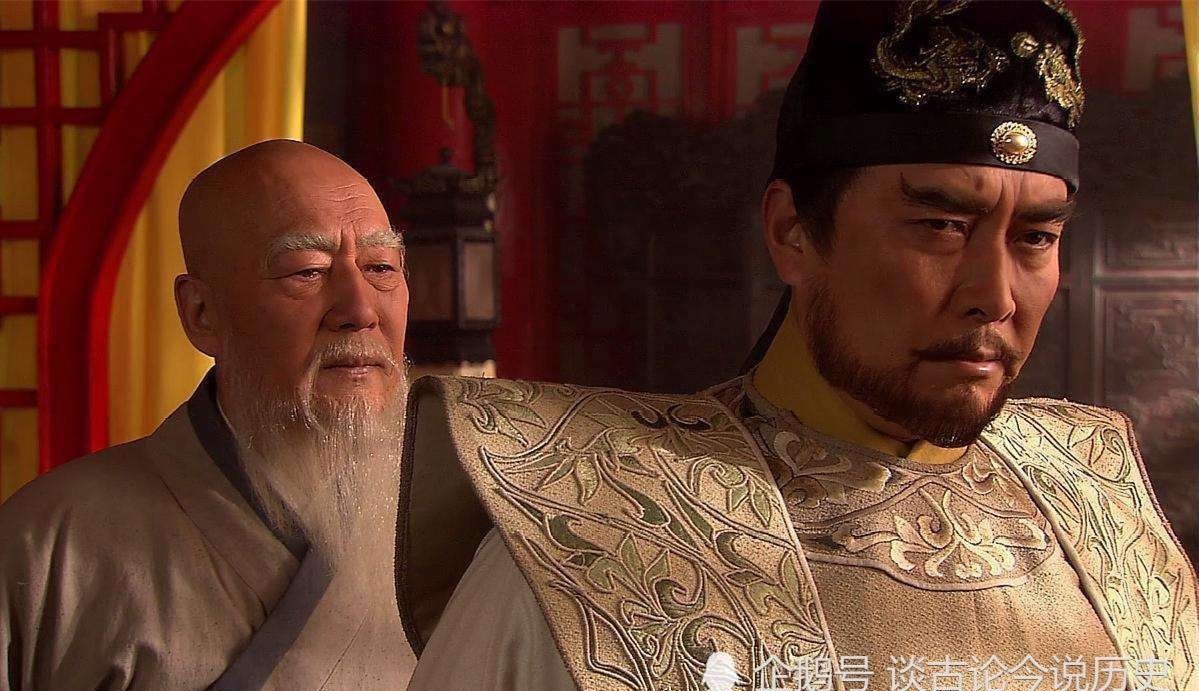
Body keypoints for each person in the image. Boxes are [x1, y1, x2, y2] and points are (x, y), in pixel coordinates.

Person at [398, 2, 1198, 690]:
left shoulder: (1096, 502)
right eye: (940, 224)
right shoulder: (590, 533)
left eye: (1035, 236)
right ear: (791, 232)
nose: (994, 294)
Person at [0, 140, 416, 690]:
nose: (360, 310)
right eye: (307, 272)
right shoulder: (50, 545)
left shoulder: (477, 519)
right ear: (202, 313)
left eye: (381, 267)